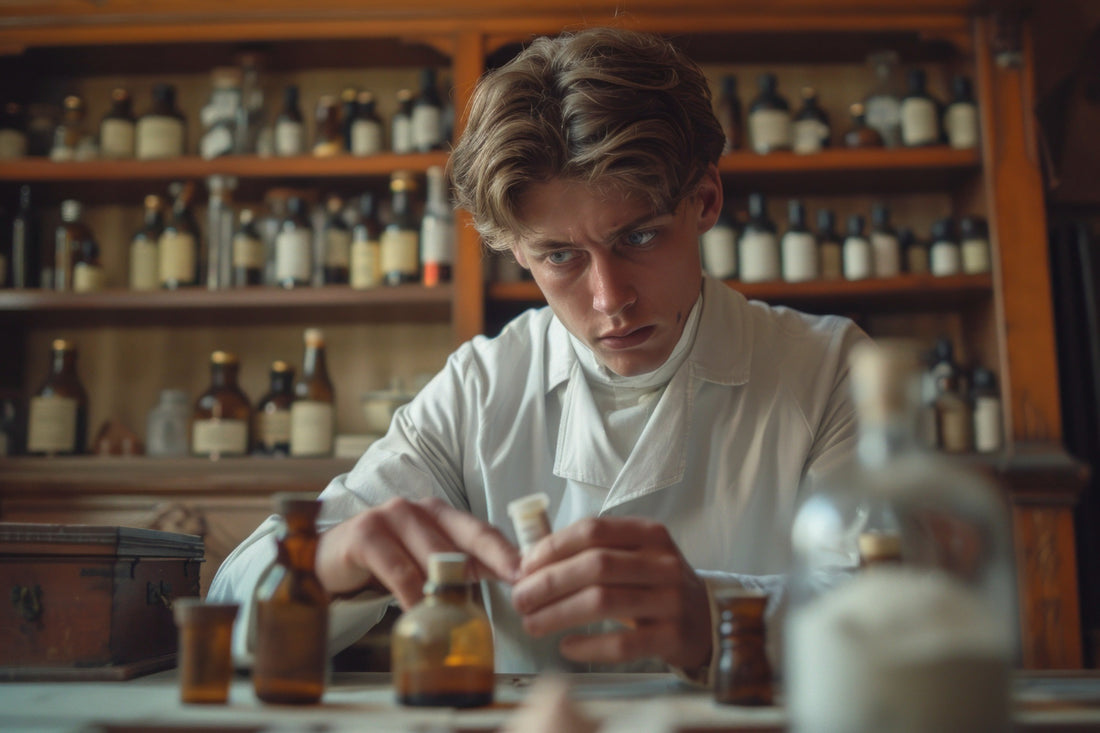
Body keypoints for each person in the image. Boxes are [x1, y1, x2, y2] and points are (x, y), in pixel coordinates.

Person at [209, 26, 867, 681]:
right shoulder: (481, 389)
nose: (610, 298)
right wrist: (330, 564)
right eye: (560, 257)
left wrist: (719, 617)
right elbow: (226, 608)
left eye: (638, 236)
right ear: (518, 251)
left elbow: (901, 614)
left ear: (704, 201)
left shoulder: (829, 369)